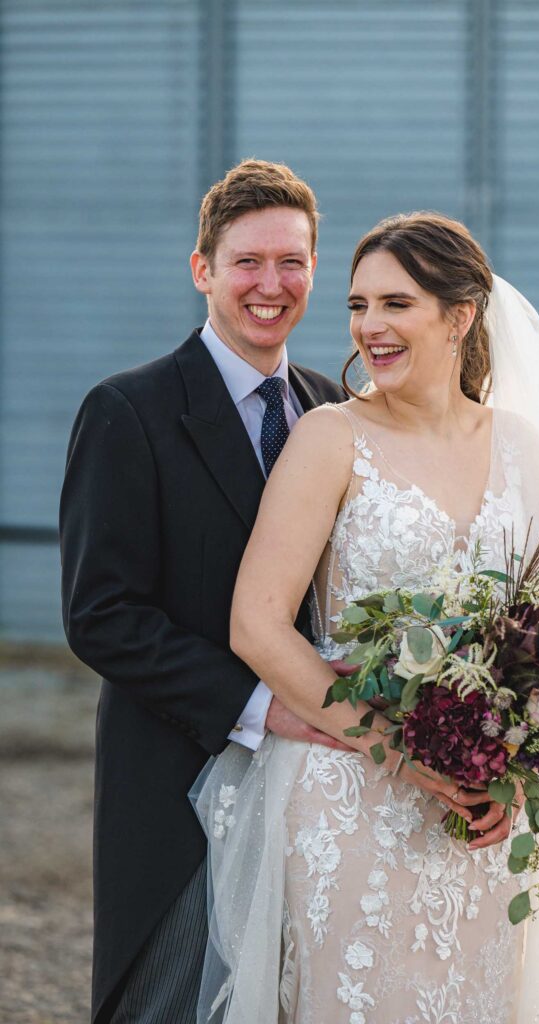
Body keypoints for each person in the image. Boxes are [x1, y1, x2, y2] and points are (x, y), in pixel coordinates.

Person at [195, 212, 539, 1022]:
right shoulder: (329, 436)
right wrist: (390, 748)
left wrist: (516, 774)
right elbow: (258, 624)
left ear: (460, 316)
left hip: (477, 813)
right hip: (350, 797)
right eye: (358, 305)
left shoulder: (522, 445)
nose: (369, 327)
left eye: (396, 304)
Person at [59, 159, 347, 1024]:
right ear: (202, 270)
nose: (271, 284)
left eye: (291, 261)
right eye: (247, 262)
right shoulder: (127, 410)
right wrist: (263, 705)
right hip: (181, 777)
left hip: (325, 791)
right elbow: (100, 614)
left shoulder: (336, 411)